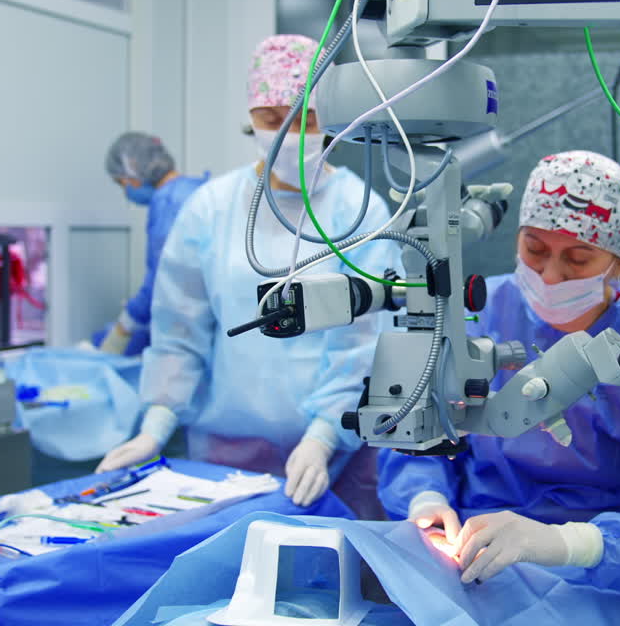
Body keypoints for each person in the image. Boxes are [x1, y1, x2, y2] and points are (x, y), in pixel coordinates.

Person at [377, 151, 620, 619]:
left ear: (619, 262)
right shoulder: (480, 311)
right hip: (472, 553)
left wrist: (571, 543)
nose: (549, 276)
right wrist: (425, 499)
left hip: (607, 572)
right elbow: (419, 429)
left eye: (578, 259)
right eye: (534, 250)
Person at [98, 35, 401, 518]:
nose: (290, 134)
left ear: (332, 119)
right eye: (272, 119)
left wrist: (323, 435)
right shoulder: (210, 208)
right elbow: (180, 330)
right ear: (251, 118)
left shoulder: (359, 208)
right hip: (226, 454)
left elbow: (365, 340)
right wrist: (154, 426)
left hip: (335, 454)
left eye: (306, 118)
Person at [96, 133, 207, 356]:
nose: (126, 190)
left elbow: (161, 278)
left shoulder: (168, 203)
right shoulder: (200, 189)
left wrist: (124, 326)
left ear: (133, 172)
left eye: (122, 183)